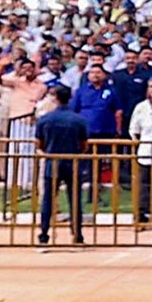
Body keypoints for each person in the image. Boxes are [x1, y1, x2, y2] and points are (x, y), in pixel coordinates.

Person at [33, 96, 93, 247]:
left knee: (48, 199)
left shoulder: (45, 119)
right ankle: (77, 234)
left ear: (56, 100)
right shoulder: (79, 120)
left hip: (52, 161)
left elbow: (39, 144)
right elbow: (84, 144)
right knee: (75, 199)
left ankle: (44, 234)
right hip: (73, 161)